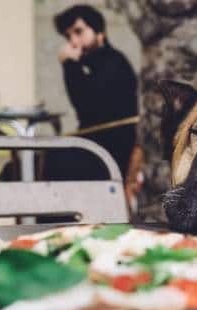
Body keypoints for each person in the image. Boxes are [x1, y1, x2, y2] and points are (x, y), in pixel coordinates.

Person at [49, 4, 138, 180]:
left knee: (45, 163)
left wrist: (69, 65)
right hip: (96, 142)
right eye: (68, 36)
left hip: (110, 148)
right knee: (26, 164)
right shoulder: (95, 62)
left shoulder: (113, 62)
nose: (74, 42)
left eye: (79, 32)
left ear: (98, 31)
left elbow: (86, 106)